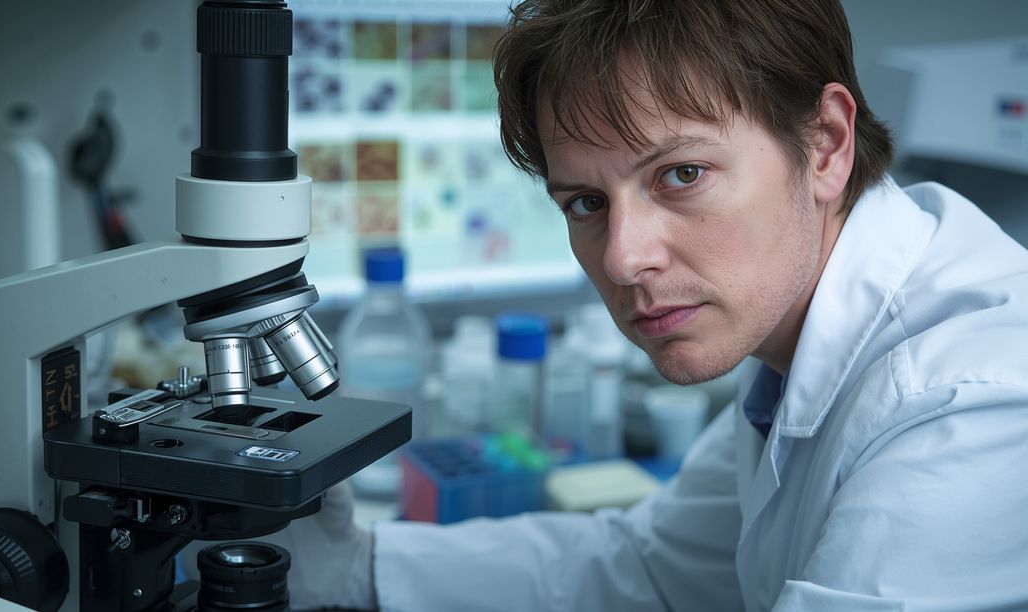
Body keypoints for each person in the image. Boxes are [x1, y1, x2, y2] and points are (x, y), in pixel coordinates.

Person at [185, 0, 1028, 609]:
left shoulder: (965, 411)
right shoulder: (793, 340)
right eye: (586, 203)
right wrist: (356, 565)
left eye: (681, 175)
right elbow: (651, 567)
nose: (623, 258)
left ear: (826, 146)